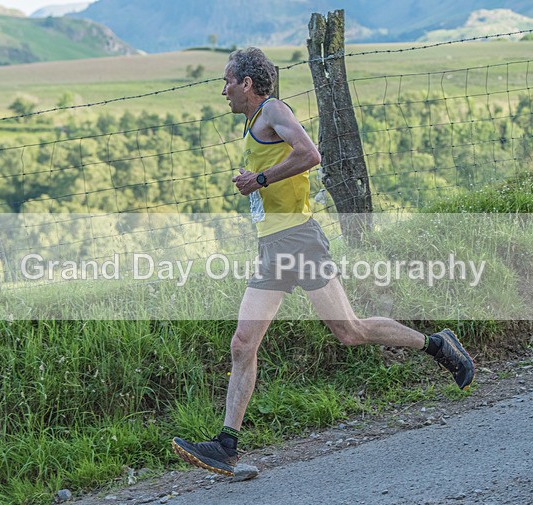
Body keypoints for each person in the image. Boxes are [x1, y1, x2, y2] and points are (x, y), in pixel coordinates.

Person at [172, 47, 474, 477]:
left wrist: (258, 179)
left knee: (349, 331)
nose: (223, 90)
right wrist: (258, 183)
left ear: (247, 84)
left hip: (300, 240)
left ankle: (437, 345)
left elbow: (311, 154)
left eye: (227, 82)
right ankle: (226, 445)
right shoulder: (252, 122)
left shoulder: (274, 110)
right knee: (243, 343)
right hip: (273, 246)